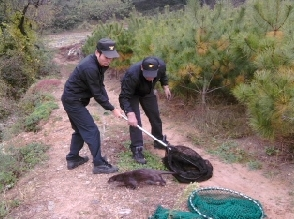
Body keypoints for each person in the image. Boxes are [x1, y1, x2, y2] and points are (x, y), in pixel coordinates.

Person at [61, 38, 122, 174]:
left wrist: (110, 104)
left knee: (80, 130)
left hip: (76, 99)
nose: (109, 61)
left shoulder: (101, 64)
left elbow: (100, 85)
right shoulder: (90, 67)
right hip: (73, 101)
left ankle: (73, 158)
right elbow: (97, 94)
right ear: (97, 53)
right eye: (106, 57)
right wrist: (112, 109)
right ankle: (99, 164)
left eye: (111, 58)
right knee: (91, 130)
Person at [119, 56, 171, 164]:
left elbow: (163, 76)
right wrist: (129, 112)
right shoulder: (132, 75)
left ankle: (159, 141)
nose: (150, 78)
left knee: (155, 116)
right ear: (142, 68)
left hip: (147, 92)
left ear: (158, 69)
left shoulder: (161, 67)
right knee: (135, 121)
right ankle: (137, 148)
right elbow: (124, 96)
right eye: (148, 75)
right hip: (132, 94)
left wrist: (165, 86)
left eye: (153, 76)